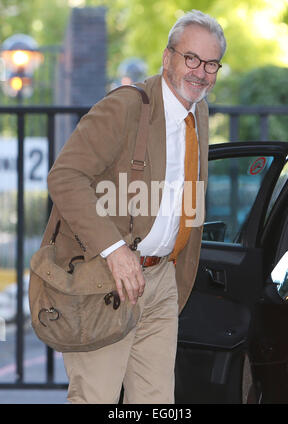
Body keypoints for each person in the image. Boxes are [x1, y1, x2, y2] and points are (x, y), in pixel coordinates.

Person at [44, 9, 226, 403]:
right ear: (167, 58)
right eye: (191, 57)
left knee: (155, 403)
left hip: (161, 281)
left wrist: (175, 270)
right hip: (107, 280)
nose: (200, 71)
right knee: (97, 397)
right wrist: (114, 251)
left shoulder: (200, 111)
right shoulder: (126, 108)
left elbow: (186, 193)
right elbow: (65, 176)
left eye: (211, 63)